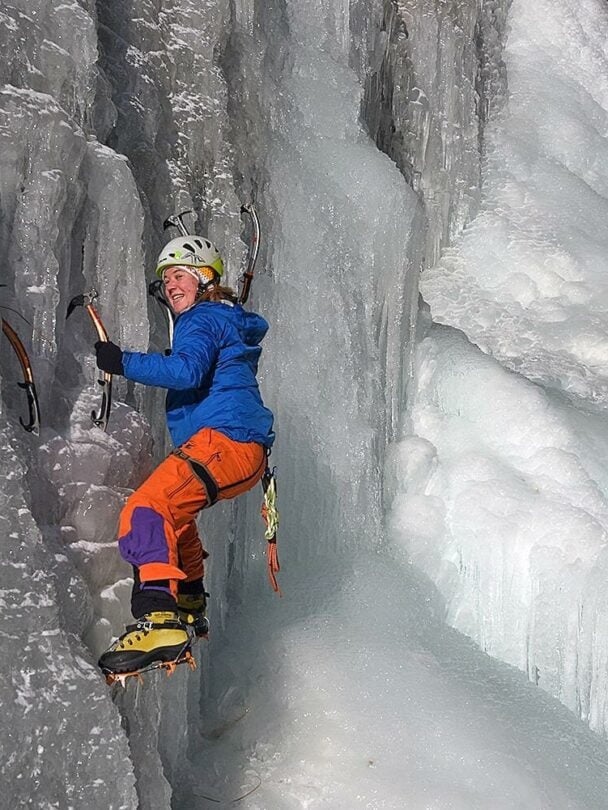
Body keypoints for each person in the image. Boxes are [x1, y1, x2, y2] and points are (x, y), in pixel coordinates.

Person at [95, 234, 274, 676]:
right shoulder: (222, 319)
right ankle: (190, 602)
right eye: (166, 280)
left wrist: (121, 362)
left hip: (224, 442)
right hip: (238, 450)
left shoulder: (202, 317)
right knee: (174, 519)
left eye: (179, 275)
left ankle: (159, 620)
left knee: (146, 509)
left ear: (204, 278)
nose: (170, 285)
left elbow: (186, 370)